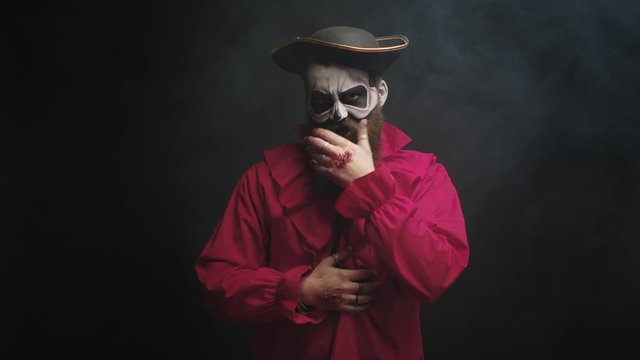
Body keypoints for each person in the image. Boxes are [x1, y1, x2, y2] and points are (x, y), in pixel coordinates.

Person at [195, 26, 469, 359]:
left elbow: (435, 276)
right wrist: (303, 290)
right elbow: (217, 283)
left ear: (379, 94)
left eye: (353, 97)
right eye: (323, 101)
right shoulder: (263, 179)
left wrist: (370, 188)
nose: (338, 115)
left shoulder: (425, 177)